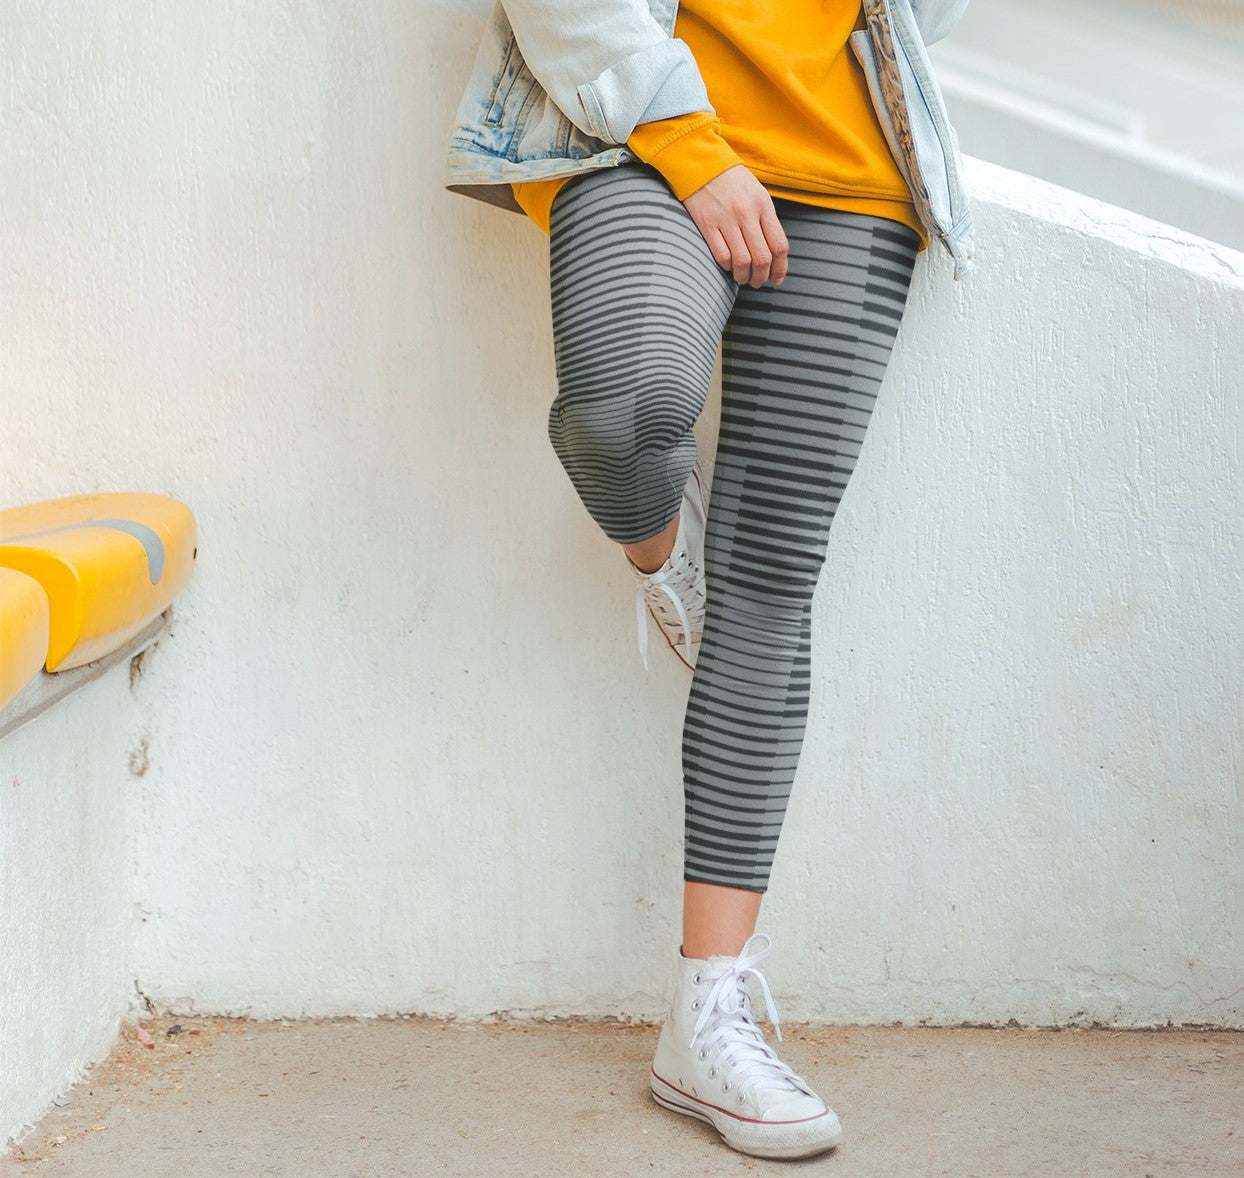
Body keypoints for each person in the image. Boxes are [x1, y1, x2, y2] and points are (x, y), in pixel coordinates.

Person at [445, 0, 974, 1160]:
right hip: (640, 130)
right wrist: (689, 143)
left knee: (773, 580)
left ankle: (706, 1009)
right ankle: (661, 554)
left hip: (852, 164)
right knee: (621, 416)